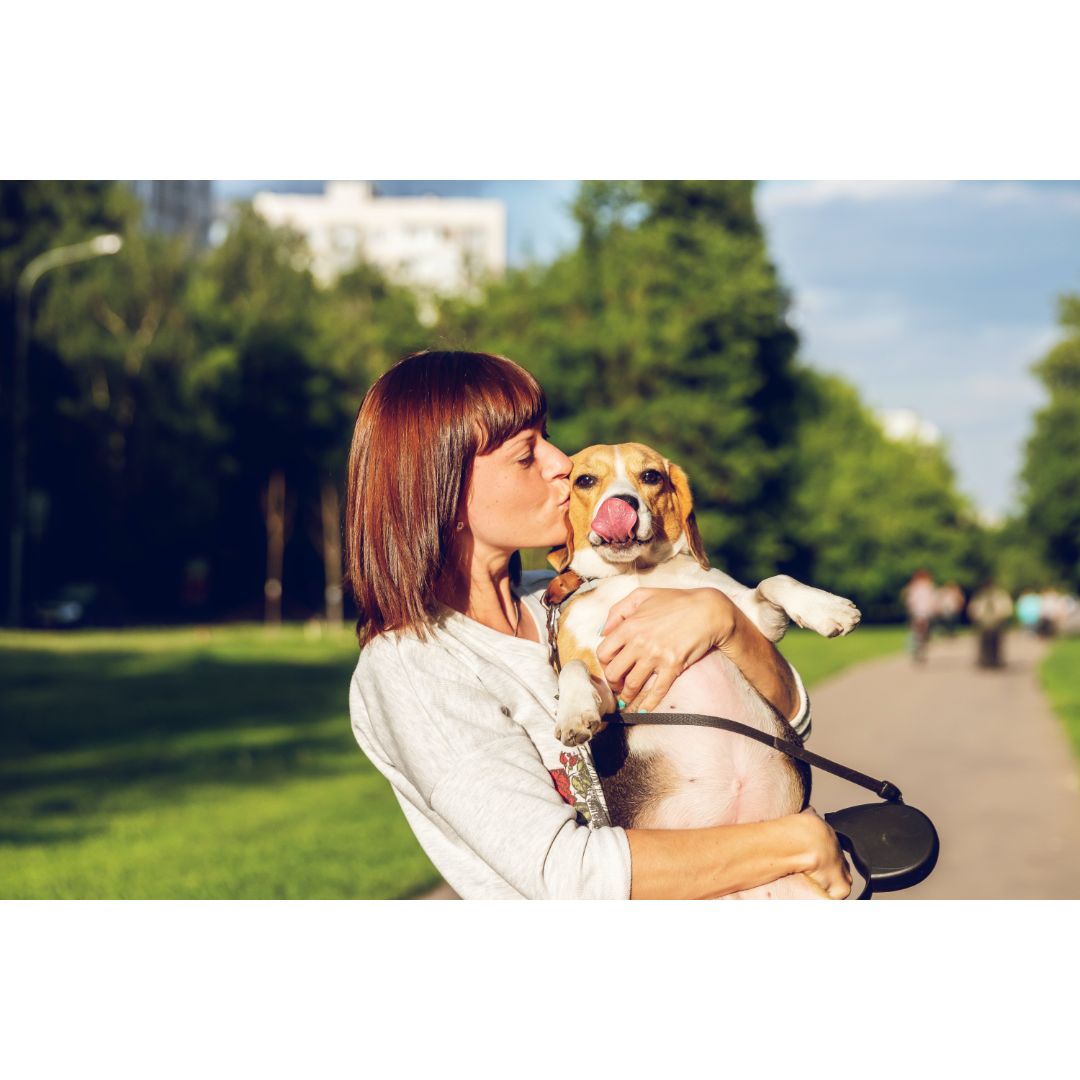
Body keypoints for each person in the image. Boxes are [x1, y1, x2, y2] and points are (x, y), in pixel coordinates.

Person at [345, 350, 851, 900]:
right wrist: (792, 843)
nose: (561, 462)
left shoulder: (569, 598)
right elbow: (567, 877)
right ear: (444, 489)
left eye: (548, 437)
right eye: (525, 454)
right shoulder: (415, 666)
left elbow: (789, 730)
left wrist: (724, 620)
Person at [968, 579, 1014, 669]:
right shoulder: (981, 597)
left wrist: (1002, 615)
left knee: (997, 643)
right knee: (984, 643)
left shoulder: (1000, 596)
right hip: (984, 623)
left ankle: (996, 660)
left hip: (997, 622)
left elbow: (1006, 607)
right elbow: (974, 608)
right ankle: (984, 659)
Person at [901, 569, 937, 663]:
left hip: (917, 612)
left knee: (917, 632)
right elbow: (933, 600)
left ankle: (917, 648)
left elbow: (909, 600)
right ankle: (920, 649)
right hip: (924, 612)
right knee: (923, 633)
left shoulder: (915, 586)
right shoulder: (928, 586)